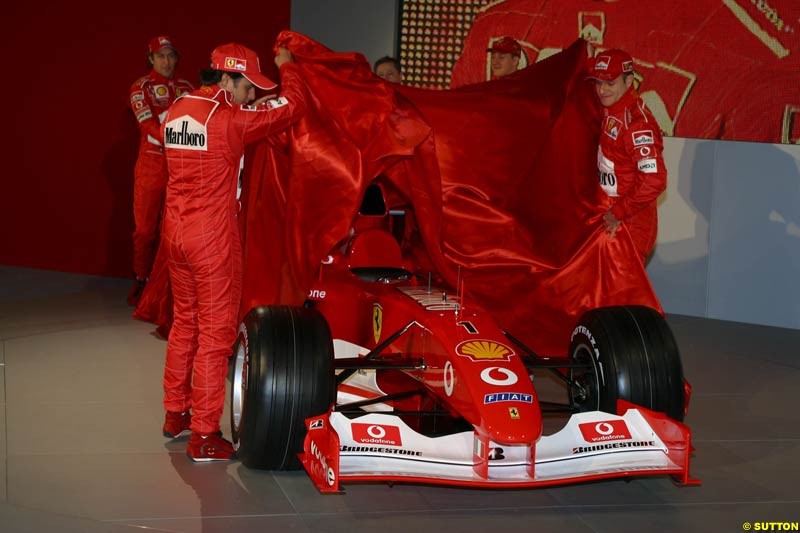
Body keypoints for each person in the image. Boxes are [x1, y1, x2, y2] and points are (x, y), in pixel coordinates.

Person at [160, 43, 308, 461]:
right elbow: (292, 107)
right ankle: (204, 433)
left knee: (184, 324)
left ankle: (176, 413)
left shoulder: (176, 107)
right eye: (247, 87)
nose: (250, 95)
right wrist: (287, 68)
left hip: (174, 233)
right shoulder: (228, 120)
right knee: (215, 336)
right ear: (225, 78)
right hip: (211, 238)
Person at [128, 36, 194, 306]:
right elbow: (147, 126)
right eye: (161, 56)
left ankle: (170, 289)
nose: (167, 61)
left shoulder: (187, 88)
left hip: (181, 168)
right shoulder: (139, 87)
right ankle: (142, 280)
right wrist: (175, 138)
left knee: (176, 232)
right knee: (145, 231)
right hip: (152, 166)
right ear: (151, 59)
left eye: (171, 56)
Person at [586, 49, 667, 262]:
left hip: (629, 223)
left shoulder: (637, 123)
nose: (602, 90)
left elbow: (654, 179)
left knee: (619, 294)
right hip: (608, 216)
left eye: (610, 83)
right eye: (598, 83)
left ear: (629, 80)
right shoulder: (608, 108)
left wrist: (618, 213)